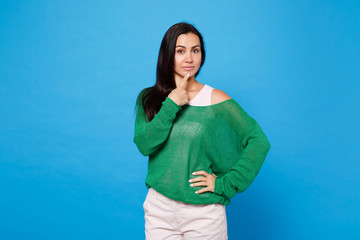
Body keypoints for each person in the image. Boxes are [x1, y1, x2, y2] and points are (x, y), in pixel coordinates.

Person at [133, 22, 271, 240]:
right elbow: (144, 144)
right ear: (168, 54)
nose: (189, 58)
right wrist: (171, 104)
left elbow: (259, 142)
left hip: (202, 214)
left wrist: (224, 184)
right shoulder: (149, 98)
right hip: (159, 210)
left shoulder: (215, 99)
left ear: (202, 55)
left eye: (195, 50)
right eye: (181, 51)